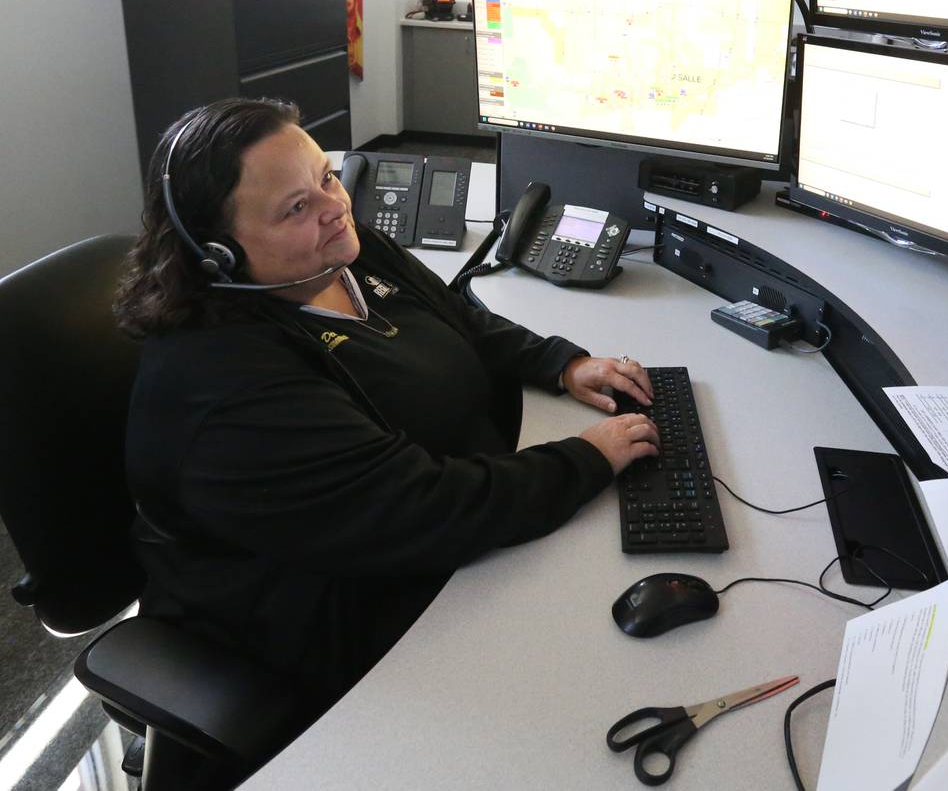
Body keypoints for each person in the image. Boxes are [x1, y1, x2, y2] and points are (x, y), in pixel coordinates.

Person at [113, 97, 659, 729]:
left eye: (325, 176)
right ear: (218, 255)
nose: (333, 206)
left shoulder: (338, 249)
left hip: (451, 523)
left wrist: (558, 364)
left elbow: (454, 316)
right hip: (335, 614)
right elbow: (420, 508)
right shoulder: (229, 385)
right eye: (295, 207)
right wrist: (586, 458)